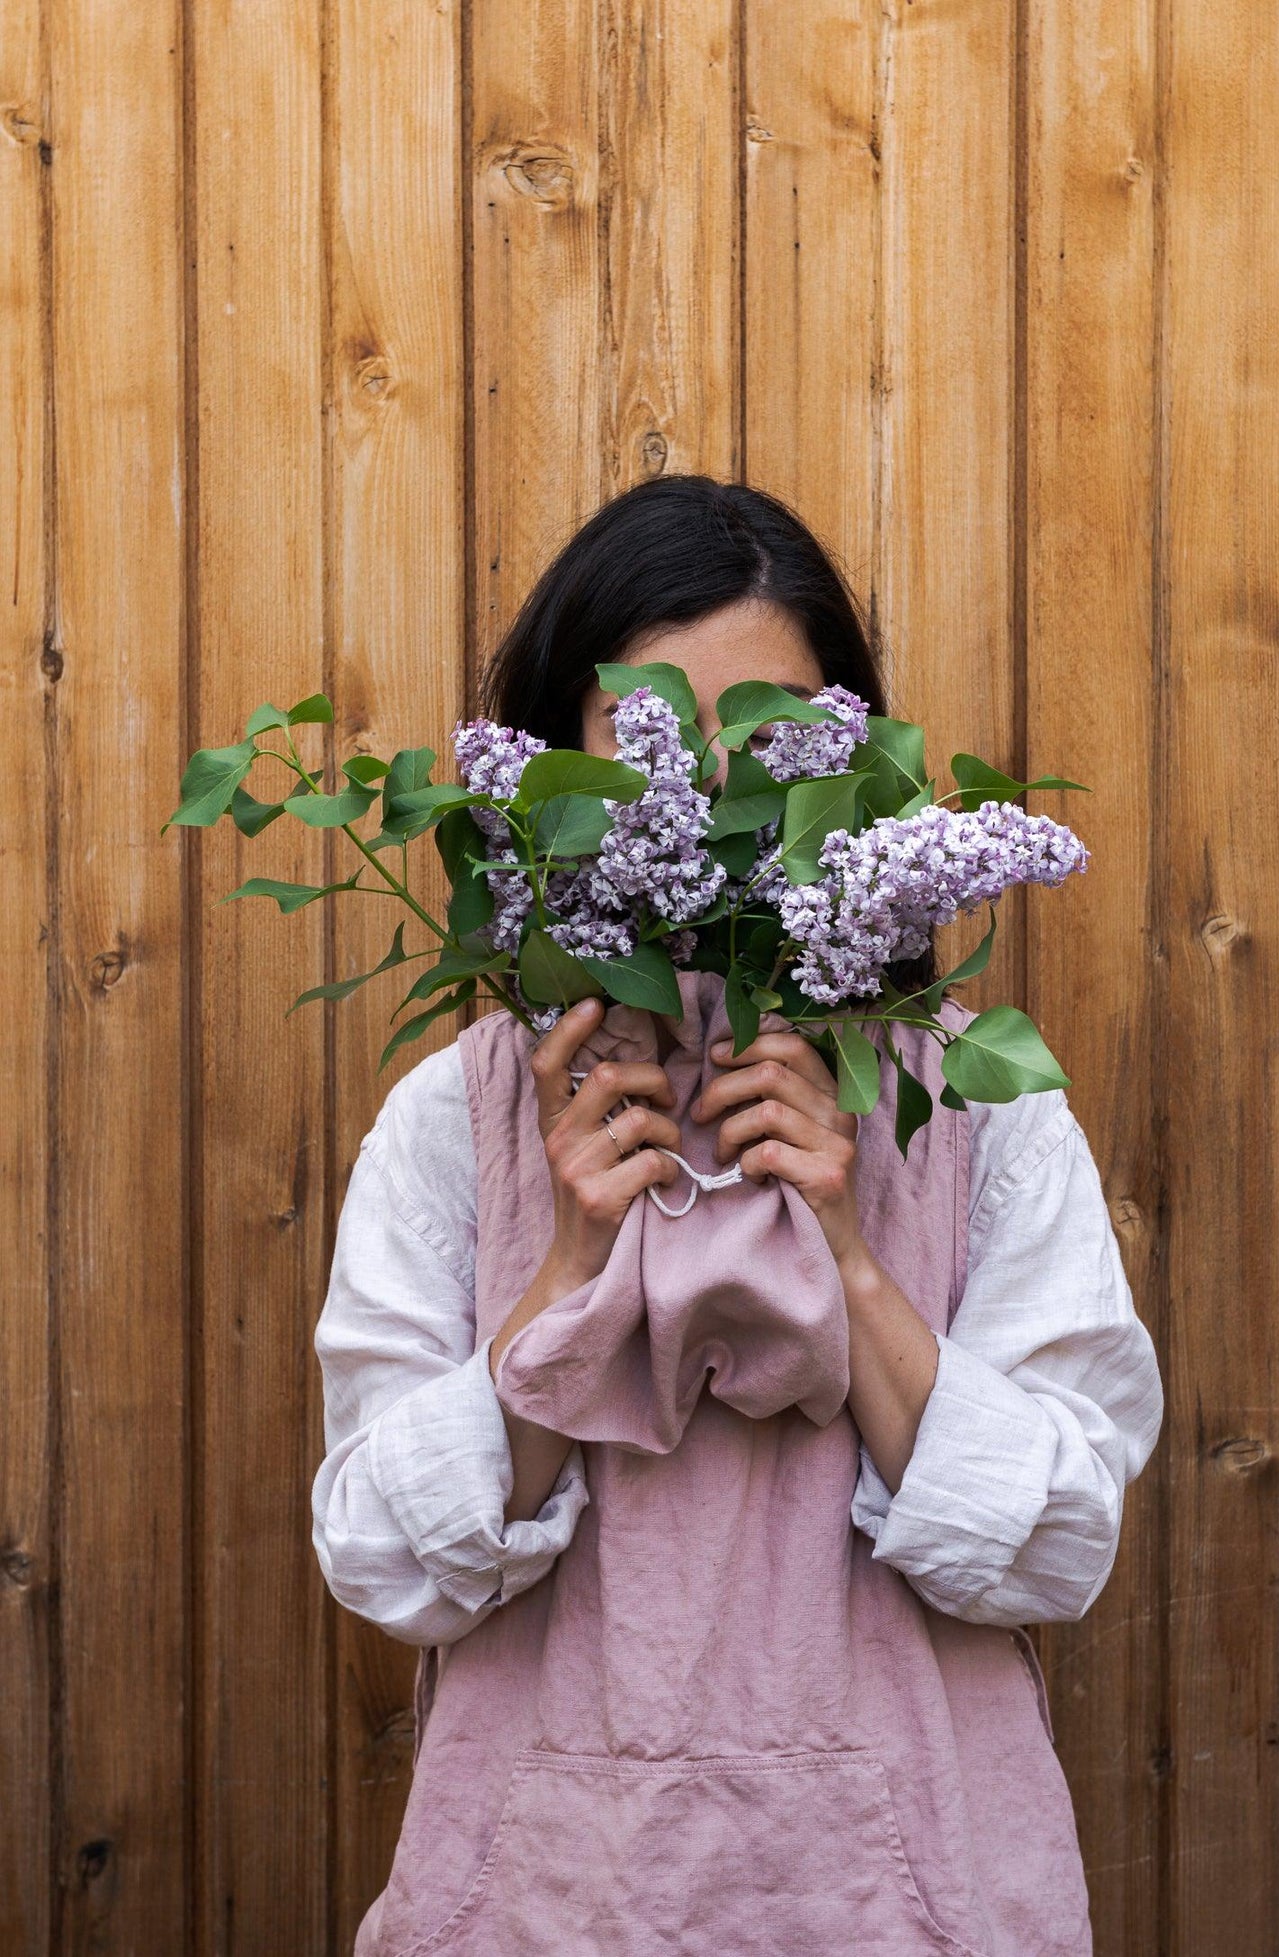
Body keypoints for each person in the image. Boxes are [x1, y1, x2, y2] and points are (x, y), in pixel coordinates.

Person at [311, 475, 1164, 1955]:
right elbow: (388, 1564)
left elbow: (1057, 1545)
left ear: (852, 751)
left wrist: (846, 1251)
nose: (707, 794)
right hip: (553, 1894)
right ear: (549, 762)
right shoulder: (459, 1119)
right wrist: (568, 1274)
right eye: (644, 737)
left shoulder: (979, 1107)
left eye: (766, 734)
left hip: (899, 1898)